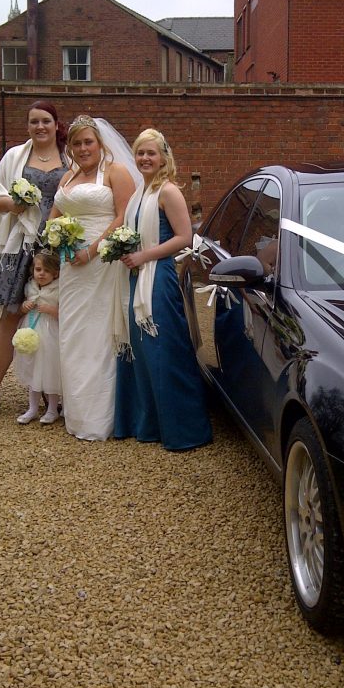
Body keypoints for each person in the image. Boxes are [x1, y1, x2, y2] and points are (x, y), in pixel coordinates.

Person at [114, 129, 212, 451]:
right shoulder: (139, 193)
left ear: (163, 158)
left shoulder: (168, 191)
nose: (145, 158)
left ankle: (183, 430)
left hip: (159, 277)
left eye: (151, 153)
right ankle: (152, 425)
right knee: (144, 352)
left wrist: (143, 255)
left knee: (164, 351)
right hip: (137, 276)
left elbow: (185, 237)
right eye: (140, 153)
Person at [0, 100, 70, 418]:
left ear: (56, 124)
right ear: (28, 126)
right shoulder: (14, 156)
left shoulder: (69, 156)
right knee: (12, 315)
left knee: (58, 317)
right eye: (34, 122)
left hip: (60, 245)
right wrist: (12, 204)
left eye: (46, 120)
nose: (40, 126)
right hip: (23, 247)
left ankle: (53, 390)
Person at [51, 115, 139, 440]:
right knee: (73, 331)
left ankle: (100, 418)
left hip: (103, 261)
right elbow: (56, 214)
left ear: (100, 143)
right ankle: (76, 413)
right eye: (77, 143)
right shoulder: (69, 176)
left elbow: (124, 215)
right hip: (71, 265)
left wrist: (92, 250)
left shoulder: (115, 172)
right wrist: (56, 237)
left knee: (99, 332)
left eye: (88, 142)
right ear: (70, 148)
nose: (83, 148)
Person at [13, 250, 61, 425]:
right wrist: (25, 306)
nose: (41, 274)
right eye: (38, 269)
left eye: (47, 271)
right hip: (32, 330)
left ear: (55, 273)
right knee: (32, 368)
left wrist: (51, 310)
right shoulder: (29, 286)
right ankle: (32, 408)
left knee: (50, 369)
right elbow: (21, 309)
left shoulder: (59, 289)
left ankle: (52, 409)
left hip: (50, 332)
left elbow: (65, 314)